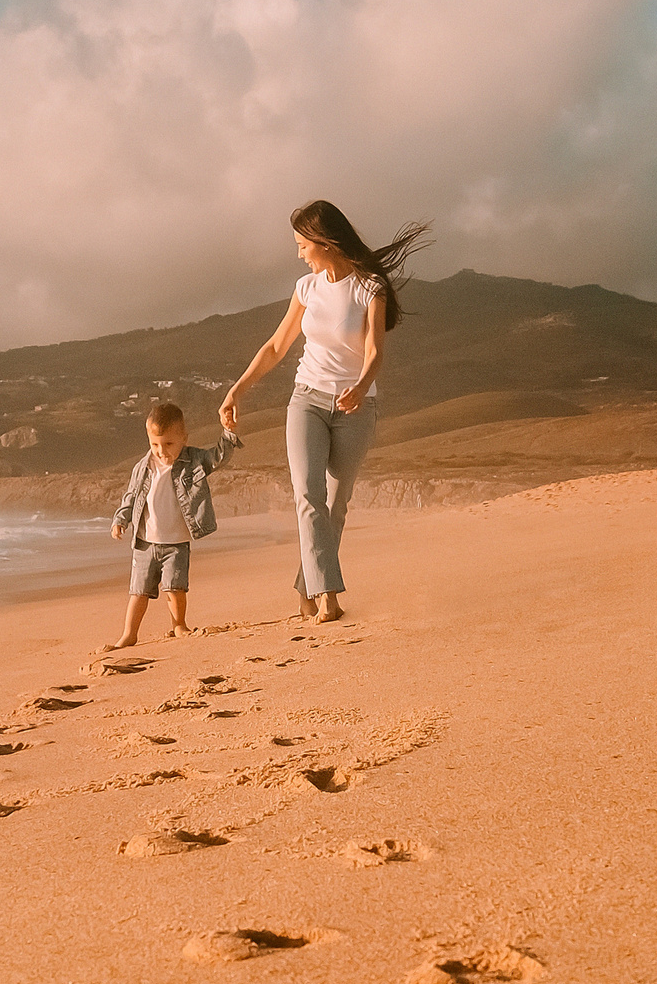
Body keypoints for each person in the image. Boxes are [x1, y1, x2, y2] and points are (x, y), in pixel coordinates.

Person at [219, 200, 431, 622]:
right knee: (308, 495)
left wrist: (362, 385)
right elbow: (276, 347)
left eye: (302, 244)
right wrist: (237, 390)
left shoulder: (370, 287)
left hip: (356, 407)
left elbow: (374, 351)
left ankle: (307, 586)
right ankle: (328, 596)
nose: (299, 253)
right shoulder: (306, 288)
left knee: (334, 503)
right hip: (307, 400)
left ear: (324, 241)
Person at [105, 400, 240, 650]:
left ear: (183, 438)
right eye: (154, 444)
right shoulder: (143, 467)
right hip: (145, 543)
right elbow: (131, 496)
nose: (161, 450)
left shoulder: (194, 461)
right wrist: (120, 519)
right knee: (138, 591)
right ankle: (129, 633)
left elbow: (217, 457)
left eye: (169, 444)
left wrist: (228, 432)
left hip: (177, 541)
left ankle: (179, 625)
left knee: (175, 588)